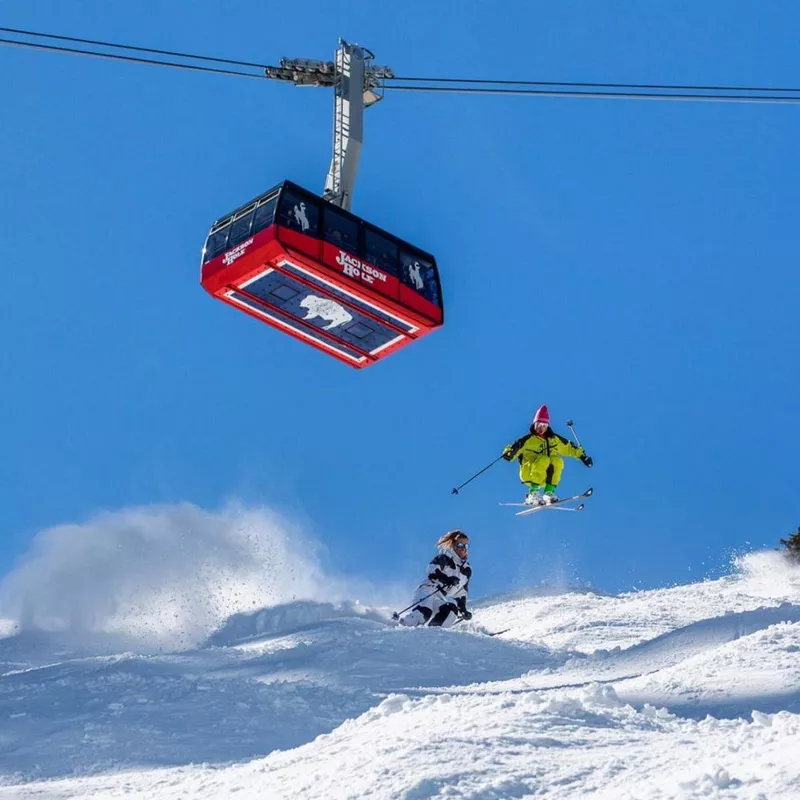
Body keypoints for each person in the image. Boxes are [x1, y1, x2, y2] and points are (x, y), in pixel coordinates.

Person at [502, 405, 593, 505]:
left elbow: (569, 448)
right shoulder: (527, 440)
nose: (542, 428)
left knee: (557, 461)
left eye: (544, 425)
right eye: (539, 424)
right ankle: (533, 493)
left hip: (545, 477)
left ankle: (548, 492)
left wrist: (583, 457)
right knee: (544, 459)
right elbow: (509, 452)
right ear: (535, 424)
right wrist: (510, 452)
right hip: (529, 474)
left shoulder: (554, 439)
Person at [399, 530, 472, 628]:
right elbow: (432, 569)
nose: (463, 549)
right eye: (460, 545)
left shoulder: (466, 570)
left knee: (450, 611)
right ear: (454, 546)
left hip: (440, 596)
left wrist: (463, 610)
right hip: (429, 590)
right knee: (424, 613)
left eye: (466, 546)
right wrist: (447, 579)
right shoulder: (445, 558)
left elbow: (462, 593)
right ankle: (401, 626)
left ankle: (432, 633)